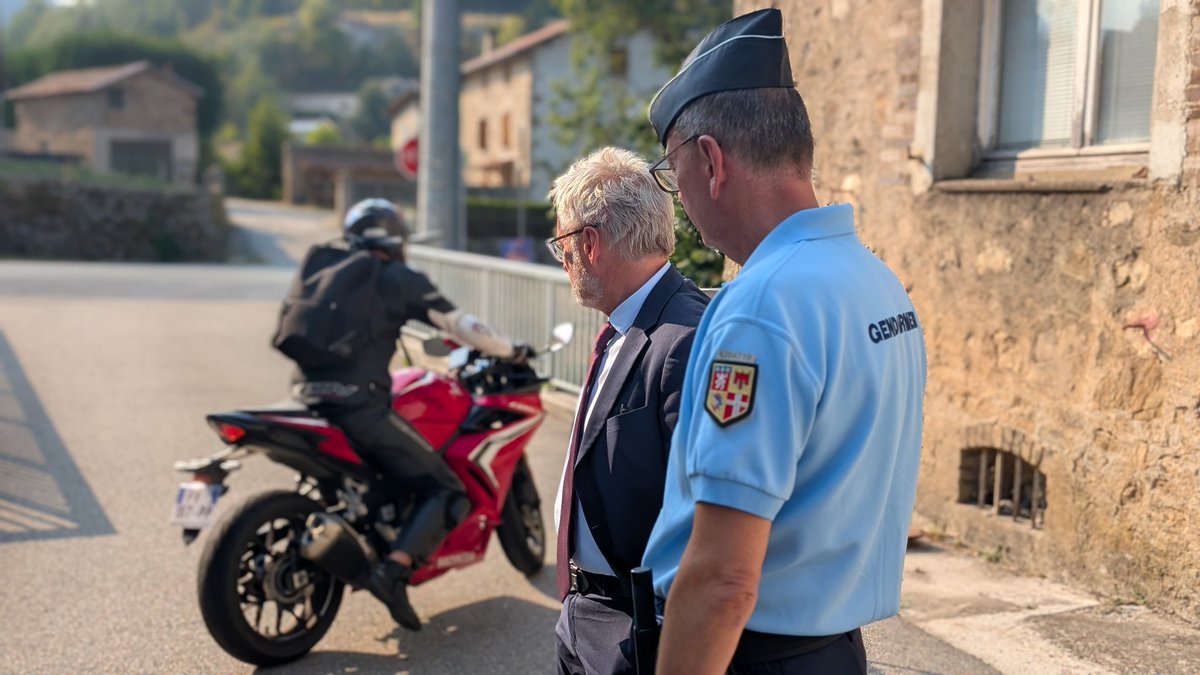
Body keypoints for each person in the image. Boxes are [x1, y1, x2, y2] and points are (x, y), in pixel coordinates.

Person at [640, 8, 928, 674]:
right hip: (834, 649)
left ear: (711, 162)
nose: (679, 200)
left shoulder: (762, 304)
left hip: (748, 655)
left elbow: (723, 580)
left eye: (672, 175)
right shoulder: (874, 277)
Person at [287, 198, 531, 631]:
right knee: (448, 489)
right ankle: (392, 573)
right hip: (359, 408)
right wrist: (511, 350)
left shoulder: (326, 273)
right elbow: (461, 326)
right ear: (396, 240)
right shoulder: (397, 278)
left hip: (308, 401)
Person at [547, 147, 708, 675]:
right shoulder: (632, 323)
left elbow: (707, 525)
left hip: (635, 629)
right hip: (592, 613)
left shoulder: (682, 338)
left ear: (587, 244)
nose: (563, 260)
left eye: (561, 245)